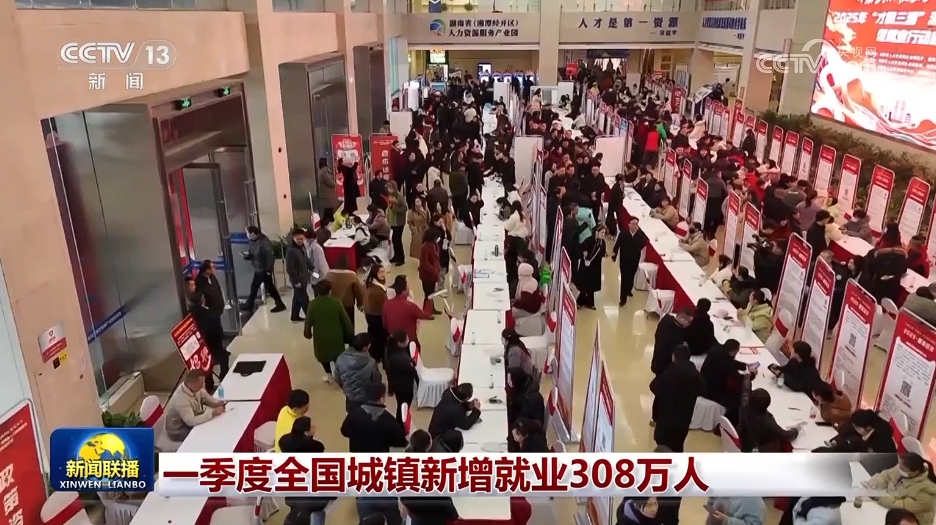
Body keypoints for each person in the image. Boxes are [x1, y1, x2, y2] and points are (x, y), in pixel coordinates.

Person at [650, 344, 705, 452]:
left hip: (666, 417)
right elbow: (703, 390)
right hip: (684, 419)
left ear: (674, 356)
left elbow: (654, 386)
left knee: (663, 446)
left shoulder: (670, 371)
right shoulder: (694, 373)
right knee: (677, 446)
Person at [280, 417, 334, 525]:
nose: (315, 427)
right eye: (312, 427)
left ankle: (296, 514)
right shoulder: (316, 447)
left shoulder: (284, 441)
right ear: (306, 432)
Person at [304, 280, 354, 384]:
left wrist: (307, 333)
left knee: (323, 357)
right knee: (338, 357)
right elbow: (346, 320)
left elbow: (308, 322)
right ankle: (339, 376)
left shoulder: (313, 304)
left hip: (320, 338)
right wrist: (349, 333)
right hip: (336, 336)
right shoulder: (336, 302)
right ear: (329, 290)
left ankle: (329, 375)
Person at [865, 453, 936, 525]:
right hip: (888, 512)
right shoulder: (902, 469)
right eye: (899, 466)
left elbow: (900, 506)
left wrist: (878, 496)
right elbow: (886, 475)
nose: (899, 469)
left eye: (903, 469)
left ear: (915, 472)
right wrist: (875, 483)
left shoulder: (925, 492)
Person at [340, 382, 409, 452]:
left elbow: (344, 431)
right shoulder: (390, 421)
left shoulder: (354, 414)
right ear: (382, 398)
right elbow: (400, 443)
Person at [164, 370, 225, 442]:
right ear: (191, 384)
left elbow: (205, 397)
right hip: (178, 430)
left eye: (203, 383)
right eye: (200, 385)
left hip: (189, 420)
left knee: (211, 425)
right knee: (207, 434)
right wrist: (212, 413)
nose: (203, 386)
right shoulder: (180, 399)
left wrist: (216, 403)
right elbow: (191, 421)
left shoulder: (194, 388)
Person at [700, 339, 749, 425]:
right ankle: (733, 423)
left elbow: (730, 362)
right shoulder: (723, 361)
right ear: (734, 351)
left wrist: (745, 366)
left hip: (705, 382)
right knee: (737, 400)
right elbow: (735, 376)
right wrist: (750, 375)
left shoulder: (718, 351)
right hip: (711, 390)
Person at [242, 226, 287, 313]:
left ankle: (280, 304)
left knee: (269, 288)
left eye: (248, 233)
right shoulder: (253, 242)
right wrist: (247, 256)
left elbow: (270, 256)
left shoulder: (264, 242)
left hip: (264, 269)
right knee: (255, 287)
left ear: (253, 233)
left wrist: (268, 270)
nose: (247, 235)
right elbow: (253, 254)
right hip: (258, 269)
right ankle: (249, 305)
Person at [187, 291, 225, 391]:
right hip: (212, 345)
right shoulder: (210, 314)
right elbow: (219, 332)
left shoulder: (188, 316)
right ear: (203, 300)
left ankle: (209, 386)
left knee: (205, 364)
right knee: (223, 356)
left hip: (197, 347)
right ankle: (224, 377)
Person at [334, 333, 382, 413]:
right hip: (365, 396)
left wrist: (346, 387)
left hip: (350, 396)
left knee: (351, 414)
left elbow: (337, 378)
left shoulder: (341, 358)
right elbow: (376, 380)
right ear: (365, 348)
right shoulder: (371, 362)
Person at [383, 276, 435, 344]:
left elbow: (385, 323)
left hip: (393, 339)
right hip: (409, 339)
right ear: (404, 290)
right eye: (408, 286)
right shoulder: (410, 306)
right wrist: (429, 301)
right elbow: (426, 315)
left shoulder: (386, 304)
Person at [384, 330, 419, 424]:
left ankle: (400, 422)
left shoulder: (391, 349)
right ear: (399, 343)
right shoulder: (400, 358)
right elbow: (412, 372)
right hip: (404, 386)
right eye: (406, 339)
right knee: (403, 406)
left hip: (397, 383)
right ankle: (400, 424)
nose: (408, 340)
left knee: (401, 405)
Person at [612, 217, 647, 306]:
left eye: (636, 224)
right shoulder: (624, 233)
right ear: (629, 225)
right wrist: (614, 255)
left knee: (631, 276)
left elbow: (643, 244)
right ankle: (623, 299)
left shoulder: (640, 235)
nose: (635, 226)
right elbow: (617, 244)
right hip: (624, 260)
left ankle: (628, 290)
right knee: (624, 279)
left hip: (634, 260)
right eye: (633, 224)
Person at [325, 254, 364, 332]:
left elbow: (322, 285)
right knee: (349, 325)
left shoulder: (329, 274)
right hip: (348, 304)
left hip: (333, 304)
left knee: (336, 324)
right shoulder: (352, 275)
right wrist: (360, 304)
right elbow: (358, 290)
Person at [650, 308, 692, 376]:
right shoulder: (674, 334)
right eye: (688, 321)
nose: (689, 324)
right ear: (682, 319)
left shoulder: (666, 320)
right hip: (664, 365)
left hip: (659, 362)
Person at [363, 265, 390, 363]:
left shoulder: (371, 285)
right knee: (379, 341)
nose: (383, 274)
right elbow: (383, 306)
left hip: (372, 317)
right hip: (377, 318)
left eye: (383, 272)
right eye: (380, 272)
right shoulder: (376, 291)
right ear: (375, 273)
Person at [576, 224, 607, 309]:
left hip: (595, 267)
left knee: (592, 285)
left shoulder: (602, 243)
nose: (603, 235)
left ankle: (589, 303)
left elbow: (602, 253)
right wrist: (585, 255)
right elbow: (583, 249)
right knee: (585, 285)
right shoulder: (589, 240)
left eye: (604, 233)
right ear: (596, 232)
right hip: (586, 266)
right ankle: (580, 302)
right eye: (602, 232)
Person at [285, 228, 312, 322]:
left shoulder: (302, 248)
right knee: (304, 299)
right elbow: (290, 268)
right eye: (298, 239)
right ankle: (311, 318)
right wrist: (296, 281)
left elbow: (306, 261)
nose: (300, 241)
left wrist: (313, 269)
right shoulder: (291, 251)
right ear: (293, 238)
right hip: (297, 280)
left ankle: (295, 316)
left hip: (303, 278)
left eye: (302, 239)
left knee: (297, 297)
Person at [418, 228, 443, 315]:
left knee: (431, 293)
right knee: (428, 293)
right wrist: (433, 270)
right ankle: (427, 311)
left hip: (433, 274)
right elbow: (424, 262)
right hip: (427, 275)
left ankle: (431, 308)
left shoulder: (434, 245)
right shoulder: (426, 247)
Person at [386, 181, 408, 266]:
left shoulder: (399, 197)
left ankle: (401, 258)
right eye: (388, 188)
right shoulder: (390, 196)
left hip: (399, 222)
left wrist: (394, 209)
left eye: (391, 188)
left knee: (398, 240)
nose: (389, 189)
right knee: (394, 240)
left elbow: (405, 208)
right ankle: (396, 256)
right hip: (392, 222)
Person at [317, 156, 338, 226]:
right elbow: (328, 180)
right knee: (328, 211)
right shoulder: (324, 171)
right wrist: (335, 184)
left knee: (328, 210)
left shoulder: (322, 170)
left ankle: (326, 223)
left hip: (326, 194)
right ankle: (324, 224)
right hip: (328, 194)